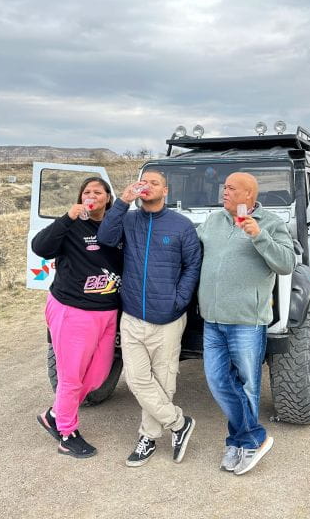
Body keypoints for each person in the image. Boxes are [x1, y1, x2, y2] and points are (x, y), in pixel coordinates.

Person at [97, 170, 202, 467]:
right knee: (137, 379)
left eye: (155, 183)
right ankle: (179, 423)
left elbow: (192, 265)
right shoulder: (129, 219)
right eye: (145, 182)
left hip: (167, 319)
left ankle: (148, 437)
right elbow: (105, 238)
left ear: (165, 190)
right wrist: (122, 202)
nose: (149, 186)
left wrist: (178, 300)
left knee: (164, 382)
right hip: (131, 316)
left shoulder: (181, 225)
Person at [197, 172, 294, 475]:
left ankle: (240, 443)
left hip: (246, 322)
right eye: (223, 187)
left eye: (230, 188)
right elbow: (190, 247)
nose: (223, 192)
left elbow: (286, 263)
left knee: (248, 385)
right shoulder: (213, 221)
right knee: (217, 381)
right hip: (212, 320)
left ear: (249, 195)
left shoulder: (271, 223)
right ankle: (251, 437)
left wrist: (258, 236)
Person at [31, 177, 122, 459]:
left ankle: (55, 414)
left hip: (107, 310)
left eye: (98, 191)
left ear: (108, 197)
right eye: (86, 192)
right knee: (71, 377)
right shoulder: (71, 226)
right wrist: (67, 217)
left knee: (98, 374)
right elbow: (40, 248)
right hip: (73, 309)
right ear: (80, 198)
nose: (92, 195)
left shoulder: (117, 227)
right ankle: (66, 433)